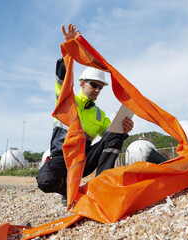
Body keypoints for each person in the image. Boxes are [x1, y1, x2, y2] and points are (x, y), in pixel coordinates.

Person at [36, 24, 134, 206]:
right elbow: (61, 80)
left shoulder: (99, 114)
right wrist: (69, 51)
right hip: (62, 157)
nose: (97, 89)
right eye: (93, 85)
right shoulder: (67, 101)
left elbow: (111, 138)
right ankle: (67, 189)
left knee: (116, 134)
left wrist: (124, 129)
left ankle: (102, 186)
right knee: (45, 179)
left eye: (100, 87)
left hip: (85, 157)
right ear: (82, 84)